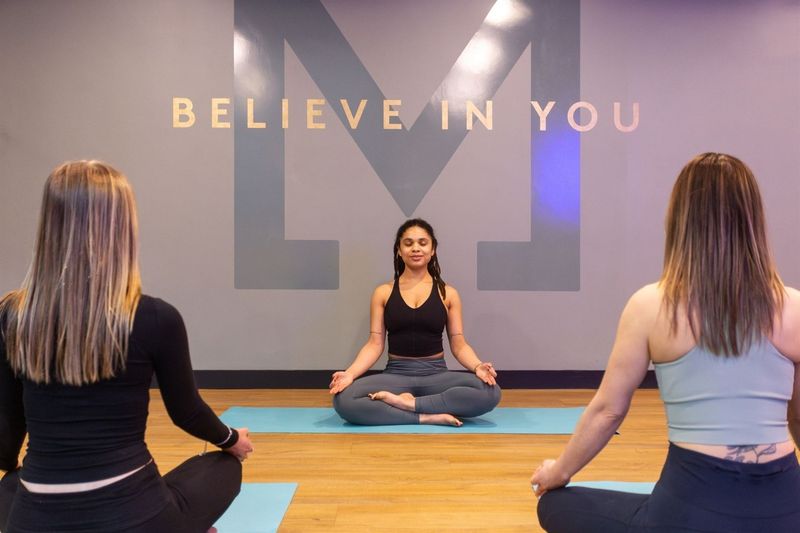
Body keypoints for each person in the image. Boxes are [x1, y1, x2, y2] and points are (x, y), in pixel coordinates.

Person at [531, 153, 800, 532]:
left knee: (556, 504)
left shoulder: (651, 305)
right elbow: (798, 417)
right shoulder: (794, 307)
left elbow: (608, 411)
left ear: (679, 219)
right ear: (753, 220)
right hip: (784, 514)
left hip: (688, 515)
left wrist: (557, 471)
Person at [0, 161, 254, 533]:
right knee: (222, 467)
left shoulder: (12, 316)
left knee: (9, 486)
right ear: (122, 227)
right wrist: (232, 440)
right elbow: (187, 413)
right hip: (139, 518)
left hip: (34, 521)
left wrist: (24, 478)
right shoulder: (155, 317)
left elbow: (7, 434)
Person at [330, 218, 501, 426]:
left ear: (433, 249)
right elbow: (374, 344)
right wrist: (349, 374)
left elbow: (459, 344)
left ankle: (409, 404)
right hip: (396, 375)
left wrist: (478, 366)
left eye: (423, 242)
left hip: (436, 375)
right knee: (344, 399)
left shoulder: (448, 294)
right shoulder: (383, 293)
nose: (416, 248)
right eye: (408, 243)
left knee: (490, 392)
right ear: (399, 250)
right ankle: (428, 416)